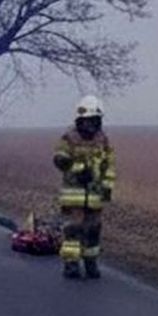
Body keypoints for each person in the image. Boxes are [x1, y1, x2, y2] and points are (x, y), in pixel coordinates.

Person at [53, 96, 117, 279]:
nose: (92, 125)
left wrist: (107, 186)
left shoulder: (102, 139)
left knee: (93, 230)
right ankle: (71, 264)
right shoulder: (69, 138)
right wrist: (77, 169)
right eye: (89, 121)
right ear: (80, 120)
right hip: (74, 194)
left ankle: (91, 263)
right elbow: (60, 159)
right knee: (73, 230)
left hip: (95, 195)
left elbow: (109, 165)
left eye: (95, 120)